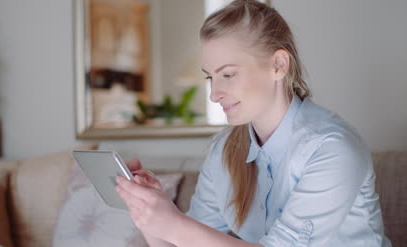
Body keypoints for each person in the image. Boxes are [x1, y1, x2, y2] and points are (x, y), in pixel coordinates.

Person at [115, 0, 391, 246]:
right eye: (211, 77)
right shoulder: (222, 151)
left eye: (229, 74)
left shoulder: (332, 149)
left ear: (279, 65)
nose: (214, 94)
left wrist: (173, 223)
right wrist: (147, 212)